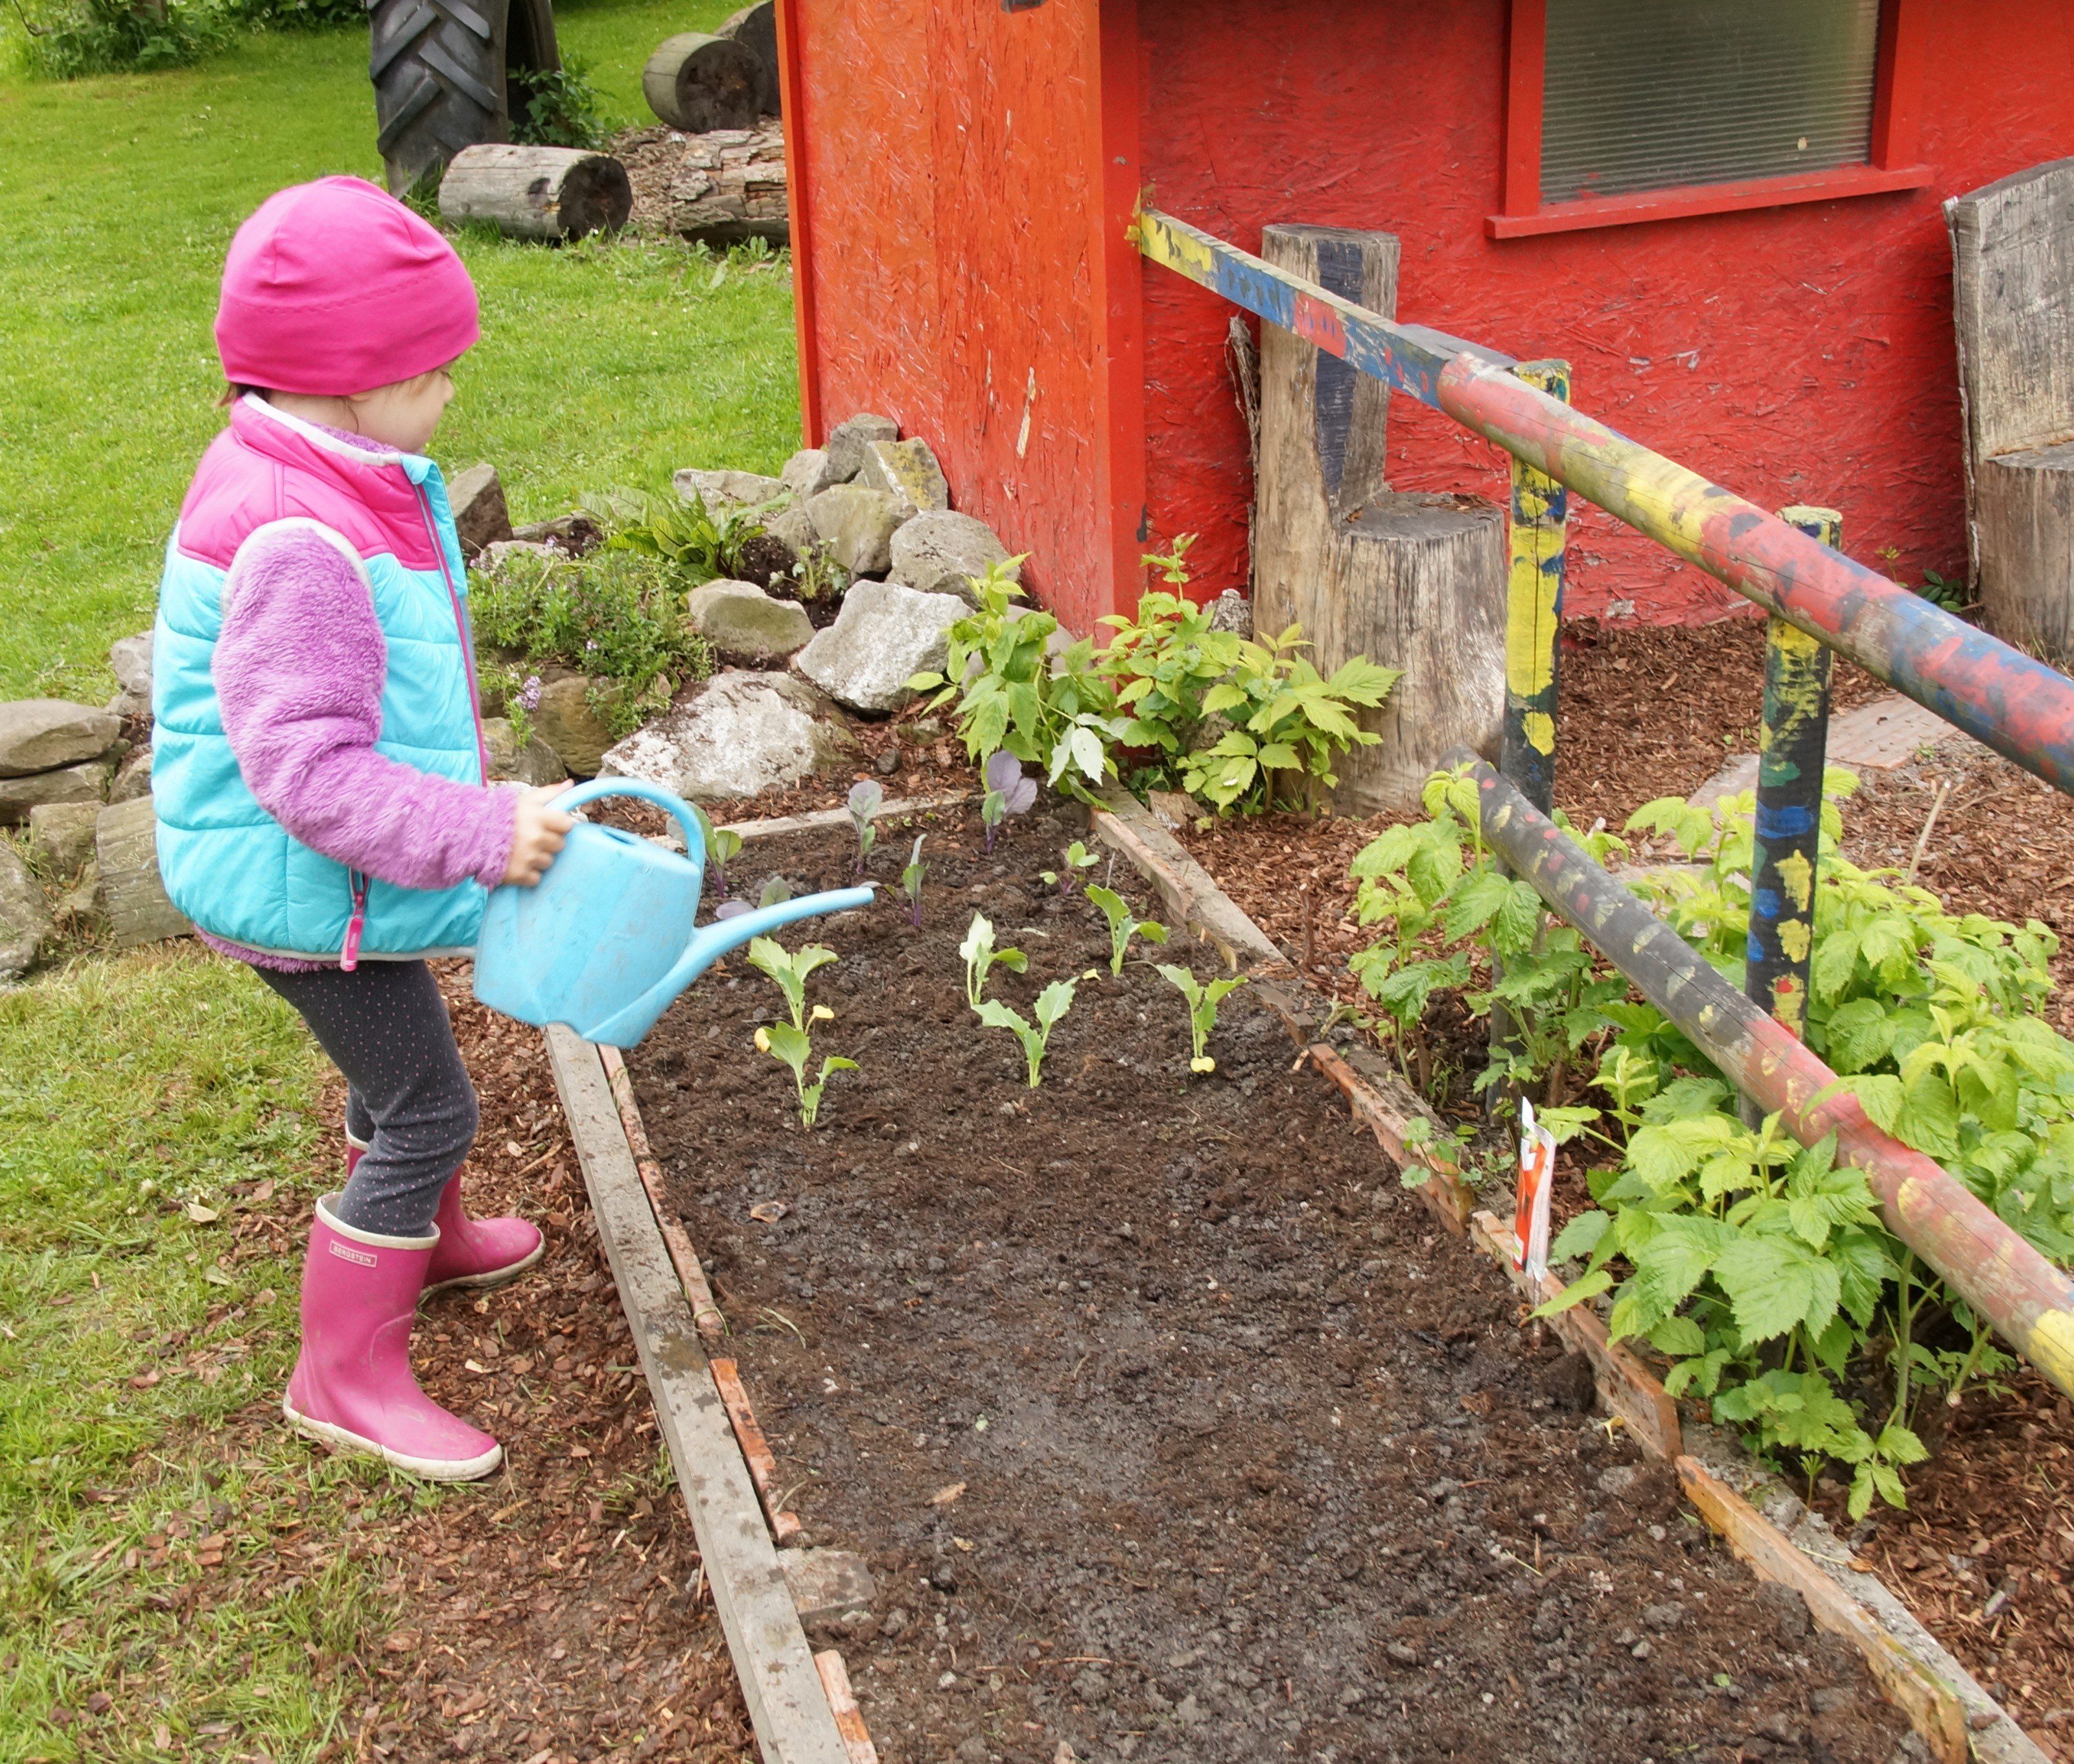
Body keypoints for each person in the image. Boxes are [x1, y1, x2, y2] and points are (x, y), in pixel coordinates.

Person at [152, 176, 575, 1480]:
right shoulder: (302, 538)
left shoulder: (320, 470)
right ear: (349, 375)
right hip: (299, 881)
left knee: (403, 1069)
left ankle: (429, 1243)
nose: (449, 391)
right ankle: (342, 1368)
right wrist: (478, 829)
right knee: (428, 1106)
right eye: (433, 369)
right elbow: (314, 776)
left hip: (324, 881)